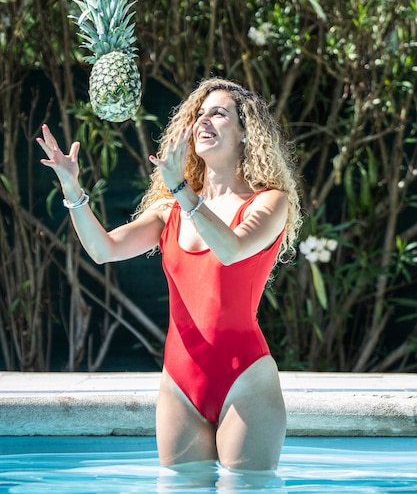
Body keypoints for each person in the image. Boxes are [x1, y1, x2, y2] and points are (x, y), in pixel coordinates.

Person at [37, 77, 301, 471]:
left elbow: (231, 250)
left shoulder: (269, 202)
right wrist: (72, 189)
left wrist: (181, 188)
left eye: (219, 113)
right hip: (179, 382)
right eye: (199, 114)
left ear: (247, 133)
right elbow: (102, 250)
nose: (203, 121)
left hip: (246, 380)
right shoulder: (170, 211)